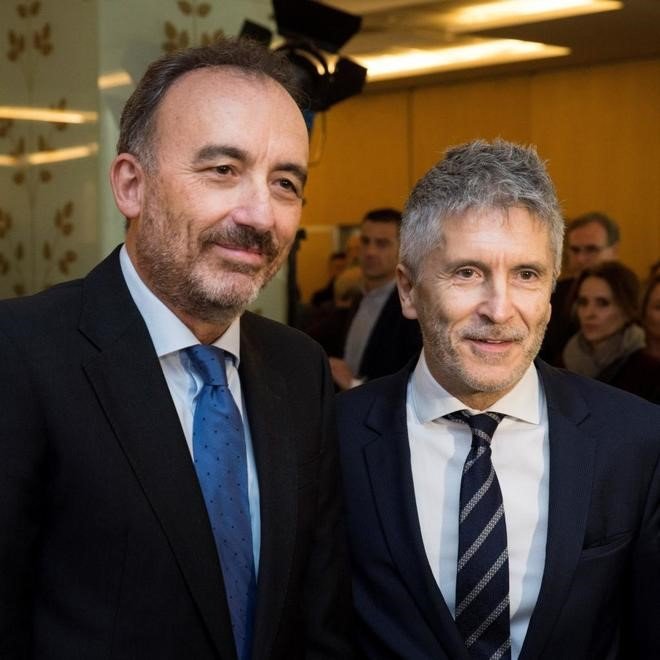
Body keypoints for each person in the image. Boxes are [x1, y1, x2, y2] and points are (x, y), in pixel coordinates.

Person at [0, 39, 352, 659]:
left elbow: (317, 622)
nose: (260, 215)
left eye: (285, 183)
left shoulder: (299, 369)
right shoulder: (21, 355)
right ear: (131, 186)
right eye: (223, 170)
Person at [337, 139, 660, 659]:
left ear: (551, 292)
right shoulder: (333, 438)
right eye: (467, 272)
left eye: (527, 275)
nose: (500, 309)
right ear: (408, 290)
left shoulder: (636, 441)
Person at [329, 208, 422, 390]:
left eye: (382, 244)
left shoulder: (413, 308)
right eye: (365, 241)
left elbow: (412, 380)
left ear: (402, 249)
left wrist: (355, 385)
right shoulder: (358, 298)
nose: (370, 251)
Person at [562, 261, 660, 401]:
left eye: (603, 303)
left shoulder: (649, 372)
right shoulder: (561, 361)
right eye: (583, 302)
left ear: (626, 309)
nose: (589, 313)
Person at [540, 211, 620, 364]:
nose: (581, 259)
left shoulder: (628, 294)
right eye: (575, 250)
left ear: (614, 251)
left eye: (591, 249)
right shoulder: (552, 293)